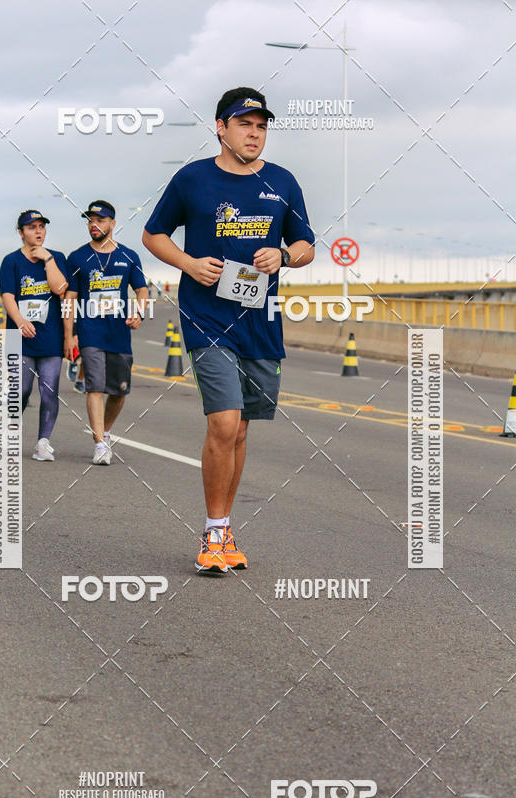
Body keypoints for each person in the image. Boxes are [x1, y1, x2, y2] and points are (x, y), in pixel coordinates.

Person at [143, 87, 314, 574]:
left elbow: (306, 245)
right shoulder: (192, 179)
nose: (254, 133)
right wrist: (188, 264)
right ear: (221, 128)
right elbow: (153, 234)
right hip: (207, 316)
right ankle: (213, 531)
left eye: (261, 126)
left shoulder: (282, 182)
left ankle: (225, 524)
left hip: (260, 320)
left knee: (240, 428)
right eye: (244, 124)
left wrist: (284, 255)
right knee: (223, 421)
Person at [64, 200, 148, 465]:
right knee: (95, 387)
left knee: (120, 391)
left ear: (112, 223)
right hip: (91, 332)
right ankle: (100, 443)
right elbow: (70, 298)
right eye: (90, 220)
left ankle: (106, 431)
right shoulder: (77, 257)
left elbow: (142, 290)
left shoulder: (128, 256)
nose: (94, 225)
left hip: (119, 333)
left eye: (100, 220)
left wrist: (139, 312)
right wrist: (70, 335)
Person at [0, 210, 68, 461]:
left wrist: (48, 259)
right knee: (21, 389)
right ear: (21, 232)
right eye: (31, 227)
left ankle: (42, 442)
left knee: (49, 390)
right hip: (20, 337)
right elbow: (7, 295)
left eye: (41, 227)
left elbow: (60, 289)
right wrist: (19, 321)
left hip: (50, 337)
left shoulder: (57, 257)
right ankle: (11, 426)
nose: (38, 231)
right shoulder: (11, 261)